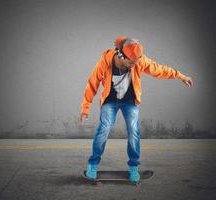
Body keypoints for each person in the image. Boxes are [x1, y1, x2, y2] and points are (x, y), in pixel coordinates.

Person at [79, 35, 193, 183]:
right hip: (110, 101)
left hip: (129, 101)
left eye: (136, 62)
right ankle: (92, 165)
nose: (134, 65)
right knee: (104, 128)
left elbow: (159, 69)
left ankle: (133, 167)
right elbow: (92, 83)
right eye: (131, 62)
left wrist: (180, 76)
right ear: (121, 55)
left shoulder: (139, 61)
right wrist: (85, 109)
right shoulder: (106, 61)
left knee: (134, 130)